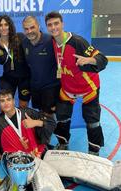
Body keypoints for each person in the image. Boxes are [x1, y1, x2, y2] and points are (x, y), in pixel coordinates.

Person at [45, 11, 108, 155]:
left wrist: (90, 60)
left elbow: (103, 59)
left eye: (56, 23)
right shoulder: (52, 41)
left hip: (88, 87)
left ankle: (94, 151)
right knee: (62, 117)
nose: (53, 27)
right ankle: (63, 143)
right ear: (47, 27)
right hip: (68, 87)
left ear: (62, 24)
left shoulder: (78, 42)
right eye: (50, 25)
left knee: (92, 121)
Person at [0, 89, 56, 159]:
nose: (6, 103)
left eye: (8, 99)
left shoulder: (27, 113)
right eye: (2, 101)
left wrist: (35, 122)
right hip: (17, 157)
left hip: (36, 151)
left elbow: (52, 123)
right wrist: (0, 153)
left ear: (14, 101)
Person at [21, 16, 60, 115]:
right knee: (40, 114)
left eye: (32, 27)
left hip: (50, 87)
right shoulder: (24, 43)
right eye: (26, 29)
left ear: (38, 26)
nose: (29, 31)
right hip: (35, 87)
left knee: (49, 117)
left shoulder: (51, 40)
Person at [0, 15, 30, 109]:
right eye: (1, 25)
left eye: (6, 24)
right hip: (8, 78)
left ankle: (21, 123)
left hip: (24, 77)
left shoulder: (20, 37)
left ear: (10, 26)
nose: (3, 27)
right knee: (5, 105)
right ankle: (5, 124)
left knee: (23, 106)